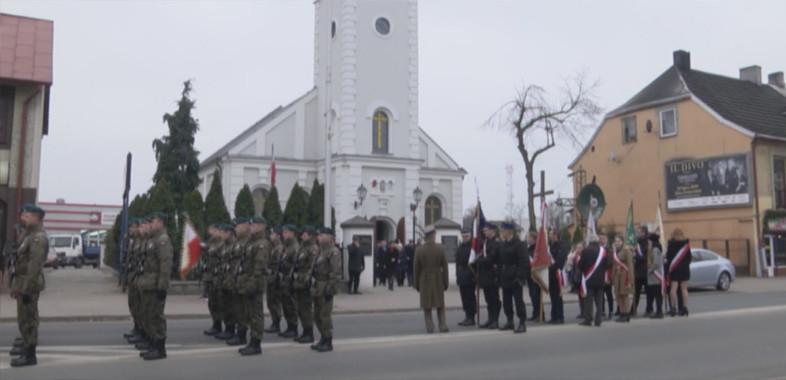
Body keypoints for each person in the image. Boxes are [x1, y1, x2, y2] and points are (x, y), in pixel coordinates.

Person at [8, 204, 49, 367]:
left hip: (29, 285)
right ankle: (26, 347)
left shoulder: (38, 238)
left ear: (35, 218)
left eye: (26, 216)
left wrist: (26, 288)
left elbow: (34, 266)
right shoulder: (28, 235)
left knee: (28, 319)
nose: (23, 218)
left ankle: (30, 355)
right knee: (23, 318)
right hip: (22, 282)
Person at [137, 211, 173, 360]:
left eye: (154, 221)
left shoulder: (163, 240)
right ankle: (153, 344)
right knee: (149, 316)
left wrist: (162, 287)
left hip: (155, 285)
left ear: (161, 223)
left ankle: (160, 348)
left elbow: (165, 265)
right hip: (148, 284)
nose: (151, 224)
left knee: (156, 316)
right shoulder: (153, 240)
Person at [236, 217, 270, 356]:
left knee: (256, 314)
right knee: (250, 313)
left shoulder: (261, 244)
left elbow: (259, 267)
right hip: (247, 282)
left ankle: (256, 343)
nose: (251, 227)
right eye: (250, 225)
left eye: (254, 225)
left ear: (262, 227)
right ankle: (252, 341)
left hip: (254, 284)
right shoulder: (251, 243)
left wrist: (253, 285)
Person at [311, 227, 342, 352]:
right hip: (317, 287)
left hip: (325, 287)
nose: (319, 238)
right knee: (317, 315)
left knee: (325, 315)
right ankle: (322, 338)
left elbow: (335, 271)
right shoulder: (320, 251)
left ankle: (328, 340)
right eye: (319, 236)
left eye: (322, 235)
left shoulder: (333, 251)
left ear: (330, 237)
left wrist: (330, 288)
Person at [413, 227, 450, 333]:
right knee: (440, 304)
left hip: (424, 278)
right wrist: (446, 282)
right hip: (438, 277)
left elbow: (416, 268)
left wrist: (416, 284)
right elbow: (445, 266)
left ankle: (430, 327)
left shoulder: (419, 249)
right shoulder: (441, 248)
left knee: (426, 304)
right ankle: (442, 325)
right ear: (433, 235)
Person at [225, 218, 253, 347]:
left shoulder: (248, 242)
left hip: (244, 281)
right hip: (236, 280)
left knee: (244, 310)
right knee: (237, 309)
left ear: (245, 227)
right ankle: (239, 333)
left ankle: (243, 335)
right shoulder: (238, 242)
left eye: (237, 226)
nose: (235, 229)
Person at [498, 222, 529, 333]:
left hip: (515, 276)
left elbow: (524, 262)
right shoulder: (502, 244)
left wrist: (520, 277)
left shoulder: (519, 244)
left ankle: (522, 322)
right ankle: (509, 320)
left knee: (518, 301)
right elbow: (499, 261)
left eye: (503, 230)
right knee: (506, 301)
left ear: (509, 231)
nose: (501, 232)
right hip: (505, 276)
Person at [292, 225, 318, 343]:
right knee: (300, 309)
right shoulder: (302, 248)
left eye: (305, 234)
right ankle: (304, 331)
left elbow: (312, 268)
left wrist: (305, 279)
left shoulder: (313, 249)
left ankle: (309, 333)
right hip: (299, 283)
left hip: (305, 284)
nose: (302, 236)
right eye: (302, 234)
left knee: (306, 309)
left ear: (311, 236)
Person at [578, 233, 611, 327]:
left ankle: (588, 319)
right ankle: (598, 320)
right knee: (599, 300)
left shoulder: (586, 250)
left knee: (588, 300)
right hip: (600, 278)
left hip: (589, 278)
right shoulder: (603, 251)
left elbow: (581, 264)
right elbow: (607, 264)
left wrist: (584, 270)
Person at [475, 222, 501, 329]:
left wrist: (479, 260)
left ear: (492, 231)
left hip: (493, 274)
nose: (484, 232)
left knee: (494, 298)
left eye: (486, 230)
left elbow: (491, 259)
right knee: (488, 298)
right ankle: (490, 319)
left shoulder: (496, 243)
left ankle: (495, 320)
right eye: (484, 231)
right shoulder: (485, 243)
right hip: (485, 275)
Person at [278, 225, 301, 338]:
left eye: (286, 232)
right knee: (286, 305)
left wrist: (290, 280)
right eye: (284, 232)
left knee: (291, 305)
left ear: (292, 233)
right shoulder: (285, 247)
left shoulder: (295, 248)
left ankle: (294, 327)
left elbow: (295, 265)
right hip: (283, 280)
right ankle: (289, 326)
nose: (284, 234)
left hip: (289, 280)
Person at [202, 223, 224, 336]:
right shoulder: (211, 243)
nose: (213, 233)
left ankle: (223, 326)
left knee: (220, 303)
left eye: (215, 231)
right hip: (210, 276)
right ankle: (216, 324)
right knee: (212, 303)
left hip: (217, 277)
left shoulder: (221, 244)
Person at [122, 219, 142, 340]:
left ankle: (141, 330)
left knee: (139, 307)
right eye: (130, 227)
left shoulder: (140, 241)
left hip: (138, 278)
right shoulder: (132, 241)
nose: (130, 229)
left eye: (133, 227)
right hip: (132, 277)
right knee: (133, 305)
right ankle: (137, 327)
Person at [666, 228, 692, 317]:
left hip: (674, 268)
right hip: (684, 268)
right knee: (684, 289)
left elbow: (668, 258)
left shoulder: (671, 244)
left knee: (673, 288)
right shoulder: (686, 245)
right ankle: (684, 308)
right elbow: (690, 257)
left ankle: (673, 308)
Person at [454, 229, 476, 326]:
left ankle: (471, 316)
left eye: (466, 236)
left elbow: (474, 263)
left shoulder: (472, 248)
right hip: (461, 275)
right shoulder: (460, 247)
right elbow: (457, 262)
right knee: (464, 297)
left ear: (470, 236)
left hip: (469, 275)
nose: (465, 238)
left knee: (470, 297)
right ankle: (467, 315)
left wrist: (474, 276)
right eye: (463, 237)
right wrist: (457, 274)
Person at [264, 227, 285, 333]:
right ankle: (274, 321)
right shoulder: (273, 248)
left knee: (275, 302)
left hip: (275, 279)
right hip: (270, 279)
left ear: (278, 236)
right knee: (270, 301)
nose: (270, 236)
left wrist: (277, 278)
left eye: (273, 235)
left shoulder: (279, 248)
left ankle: (276, 323)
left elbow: (279, 265)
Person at [611, 235, 635, 323]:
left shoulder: (626, 250)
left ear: (622, 241)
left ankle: (626, 313)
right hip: (617, 276)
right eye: (616, 241)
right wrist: (612, 276)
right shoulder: (615, 251)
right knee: (618, 295)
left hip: (625, 276)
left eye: (618, 241)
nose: (617, 243)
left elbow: (630, 265)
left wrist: (631, 279)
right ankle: (621, 312)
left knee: (624, 295)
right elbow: (614, 264)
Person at [547, 229, 567, 324]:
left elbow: (560, 260)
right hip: (551, 274)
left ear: (555, 235)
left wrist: (551, 268)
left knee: (558, 296)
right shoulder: (549, 245)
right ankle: (553, 316)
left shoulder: (562, 245)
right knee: (552, 296)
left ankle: (560, 316)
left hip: (557, 273)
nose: (549, 235)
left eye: (550, 234)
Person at [631, 226, 650, 316]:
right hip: (637, 271)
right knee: (636, 291)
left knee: (648, 291)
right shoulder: (636, 243)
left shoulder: (647, 243)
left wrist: (636, 257)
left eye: (639, 232)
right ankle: (633, 309)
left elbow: (646, 257)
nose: (638, 234)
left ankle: (649, 309)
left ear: (644, 233)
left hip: (645, 270)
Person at [646, 233, 665, 319]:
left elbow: (656, 263)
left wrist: (650, 270)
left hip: (655, 275)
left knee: (657, 294)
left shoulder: (655, 249)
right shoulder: (654, 248)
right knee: (656, 294)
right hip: (655, 274)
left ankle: (659, 311)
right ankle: (658, 311)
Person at [525, 231, 541, 323]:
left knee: (536, 295)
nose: (526, 238)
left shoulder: (536, 248)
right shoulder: (528, 248)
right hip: (529, 274)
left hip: (535, 274)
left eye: (527, 237)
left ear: (532, 238)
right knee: (532, 295)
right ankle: (535, 313)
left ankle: (539, 313)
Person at [598, 234, 614, 320]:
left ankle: (611, 311)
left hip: (607, 273)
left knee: (608, 293)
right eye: (600, 238)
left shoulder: (608, 249)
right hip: (600, 274)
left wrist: (603, 266)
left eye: (603, 239)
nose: (601, 240)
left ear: (606, 239)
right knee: (601, 294)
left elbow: (610, 261)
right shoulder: (598, 248)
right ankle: (602, 311)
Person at [569, 242, 585, 319]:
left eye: (580, 248)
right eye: (578, 248)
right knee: (580, 297)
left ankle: (586, 312)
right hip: (577, 279)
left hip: (583, 279)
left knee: (584, 296)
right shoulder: (576, 257)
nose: (579, 249)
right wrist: (572, 279)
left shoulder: (585, 256)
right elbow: (574, 269)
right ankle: (581, 312)